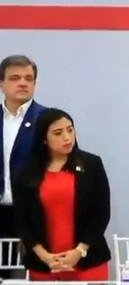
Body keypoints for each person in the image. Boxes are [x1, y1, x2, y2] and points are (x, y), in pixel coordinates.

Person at [12, 108, 111, 280]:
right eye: (58, 133)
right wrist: (44, 256)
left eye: (70, 130)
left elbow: (101, 213)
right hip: (45, 264)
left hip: (87, 260)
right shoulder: (26, 172)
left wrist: (80, 251)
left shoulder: (91, 164)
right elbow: (22, 220)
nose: (67, 137)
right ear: (43, 138)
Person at [0, 55, 47, 278]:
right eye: (15, 78)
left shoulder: (48, 120)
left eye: (29, 78)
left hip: (35, 213)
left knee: (33, 275)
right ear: (2, 83)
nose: (22, 83)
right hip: (1, 210)